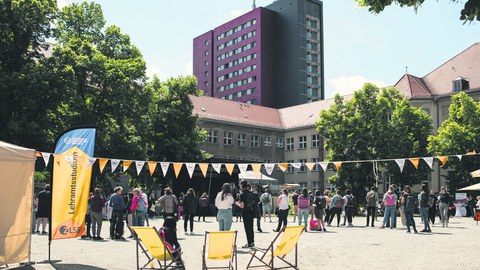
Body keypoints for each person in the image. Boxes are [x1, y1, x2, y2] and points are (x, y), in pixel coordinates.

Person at [235, 180, 255, 248]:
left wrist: (237, 203)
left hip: (245, 212)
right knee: (251, 227)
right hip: (251, 211)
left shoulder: (242, 194)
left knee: (247, 228)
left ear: (242, 185)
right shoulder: (251, 193)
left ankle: (249, 243)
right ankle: (252, 242)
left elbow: (242, 206)